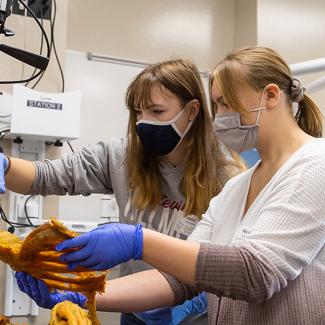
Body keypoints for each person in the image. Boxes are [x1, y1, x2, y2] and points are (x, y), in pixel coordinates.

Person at [15, 46, 325, 324]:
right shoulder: (238, 189)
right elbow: (182, 279)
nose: (220, 118)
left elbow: (255, 272)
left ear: (270, 96)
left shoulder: (315, 165)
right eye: (217, 106)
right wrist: (81, 293)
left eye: (227, 104)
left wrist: (138, 241)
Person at [2, 59, 243, 324]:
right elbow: (46, 176)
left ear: (192, 110)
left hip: (191, 315)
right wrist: (6, 166)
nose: (144, 122)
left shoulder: (226, 176)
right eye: (138, 112)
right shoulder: (122, 156)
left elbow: (220, 267)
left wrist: (195, 301)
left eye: (157, 111)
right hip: (133, 308)